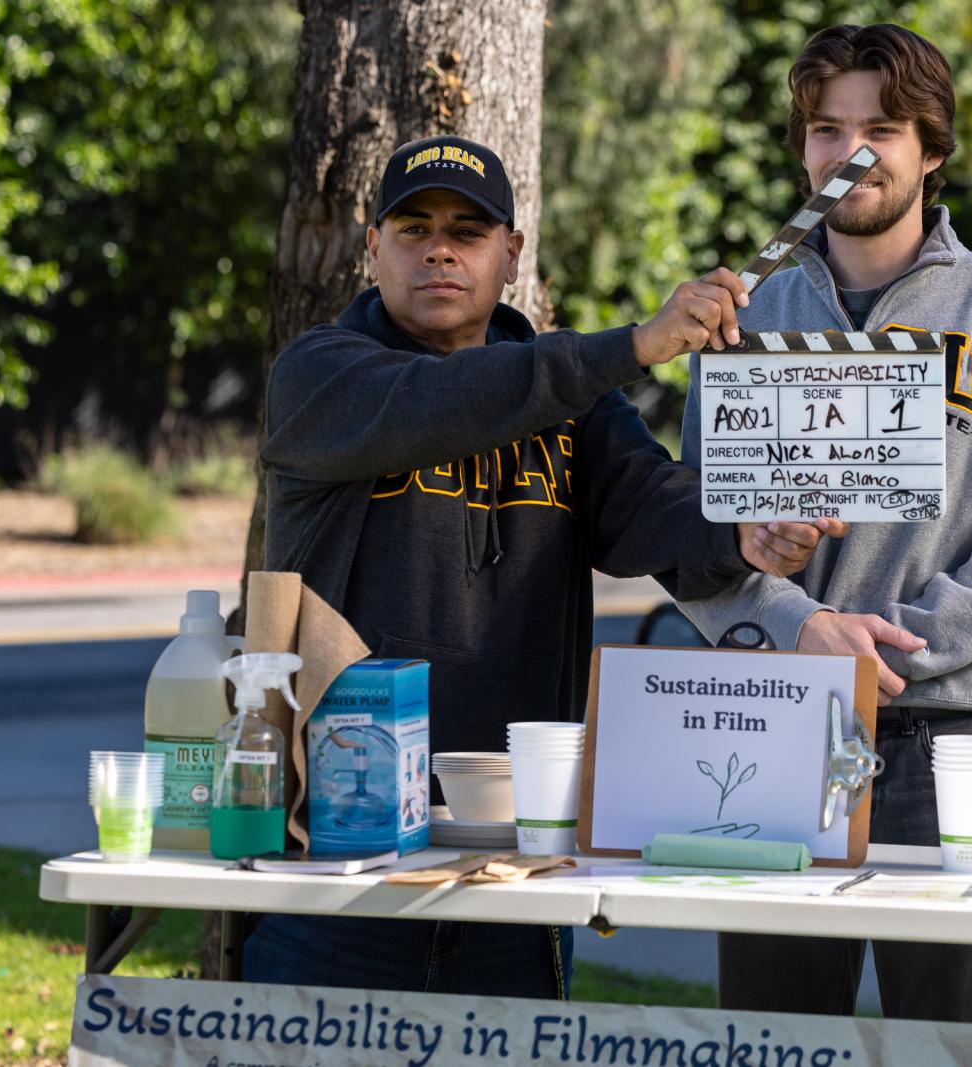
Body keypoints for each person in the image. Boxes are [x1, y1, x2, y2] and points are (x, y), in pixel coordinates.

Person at [248, 133, 836, 997]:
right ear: (372, 249)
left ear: (511, 254)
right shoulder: (320, 378)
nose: (439, 248)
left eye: (469, 231)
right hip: (338, 843)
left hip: (520, 850)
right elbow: (446, 401)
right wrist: (634, 343)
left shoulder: (574, 405)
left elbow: (646, 505)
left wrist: (738, 527)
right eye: (412, 229)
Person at [679, 24, 972, 1023]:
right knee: (775, 1039)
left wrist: (893, 648)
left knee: (956, 1043)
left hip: (955, 738)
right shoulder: (744, 315)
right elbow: (688, 535)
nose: (851, 150)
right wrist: (785, 610)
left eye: (883, 126)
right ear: (803, 150)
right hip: (776, 730)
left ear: (932, 148)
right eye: (827, 128)